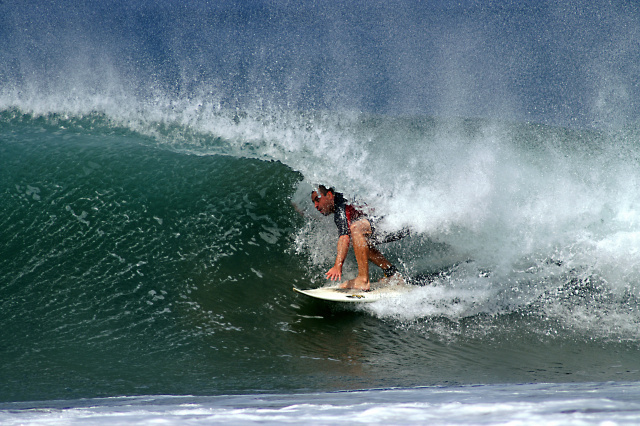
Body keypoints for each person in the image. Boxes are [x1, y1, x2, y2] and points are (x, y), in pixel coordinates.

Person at [311, 185, 407, 291]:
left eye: (317, 200)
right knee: (357, 239)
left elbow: (344, 237)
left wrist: (337, 266)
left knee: (356, 229)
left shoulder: (340, 202)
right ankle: (392, 274)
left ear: (329, 195)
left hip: (398, 221)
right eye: (313, 202)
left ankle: (363, 280)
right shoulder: (343, 203)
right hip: (400, 222)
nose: (315, 205)